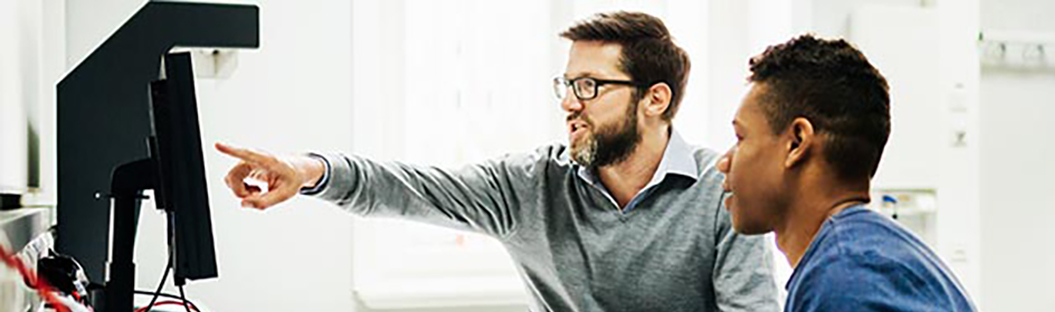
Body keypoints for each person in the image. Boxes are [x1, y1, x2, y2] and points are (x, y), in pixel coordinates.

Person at [216, 12, 778, 312]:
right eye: (566, 83)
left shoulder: (723, 189)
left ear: (654, 99)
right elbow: (411, 188)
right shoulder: (533, 185)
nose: (567, 102)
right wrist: (310, 171)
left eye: (589, 85)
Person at [715, 34, 976, 312]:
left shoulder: (846, 281)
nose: (724, 162)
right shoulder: (868, 258)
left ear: (796, 142)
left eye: (740, 138)